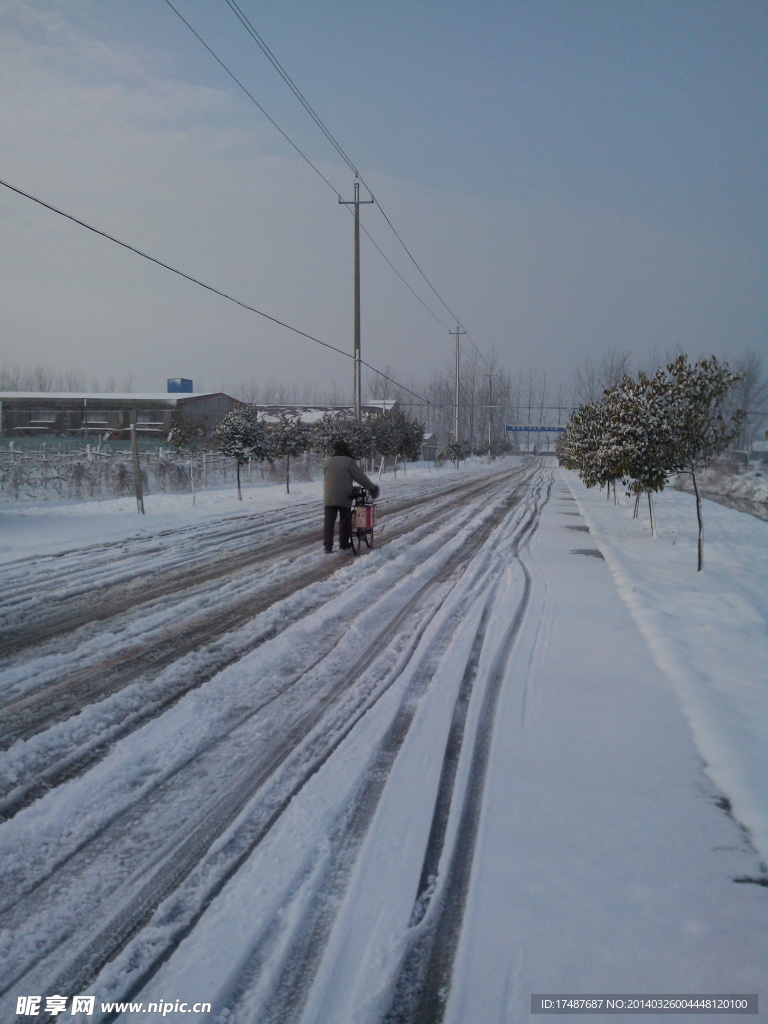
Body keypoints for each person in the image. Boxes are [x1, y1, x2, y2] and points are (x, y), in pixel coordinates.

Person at [323, 440, 380, 552]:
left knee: (329, 521)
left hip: (329, 496)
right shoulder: (348, 462)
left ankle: (327, 546)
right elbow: (360, 478)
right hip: (345, 495)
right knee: (345, 519)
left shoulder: (327, 462)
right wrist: (372, 488)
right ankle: (343, 543)